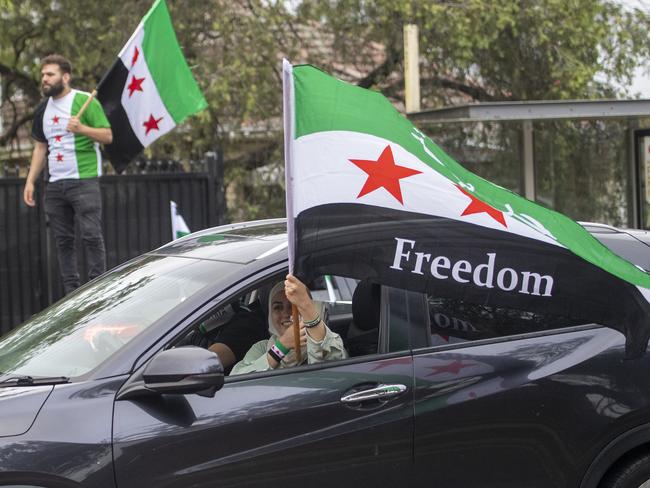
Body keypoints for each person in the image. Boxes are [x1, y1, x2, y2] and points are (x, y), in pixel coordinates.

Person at [24, 54, 113, 294]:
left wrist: (81, 128)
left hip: (83, 181)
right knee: (63, 241)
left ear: (65, 77)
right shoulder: (43, 108)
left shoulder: (85, 101)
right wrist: (30, 180)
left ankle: (98, 288)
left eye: (50, 74)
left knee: (91, 236)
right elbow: (41, 147)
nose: (44, 79)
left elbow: (107, 135)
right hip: (55, 185)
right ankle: (72, 292)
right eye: (43, 75)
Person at [231, 274, 347, 375]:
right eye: (277, 307)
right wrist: (282, 346)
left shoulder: (326, 339)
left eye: (293, 306)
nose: (286, 313)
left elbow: (332, 369)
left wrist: (308, 313)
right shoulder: (262, 348)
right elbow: (235, 382)